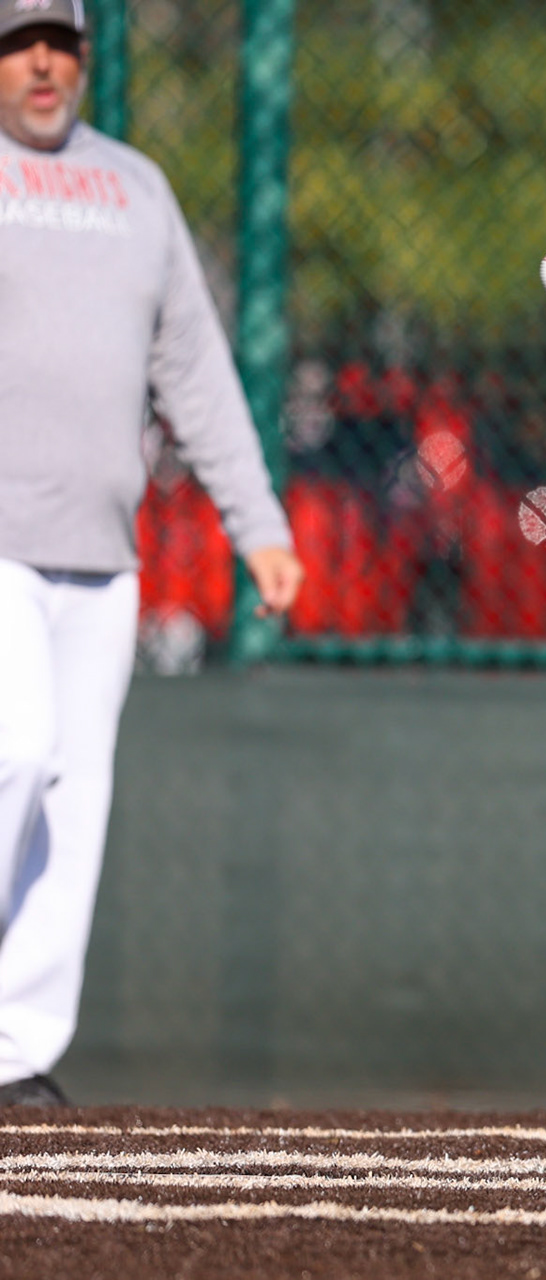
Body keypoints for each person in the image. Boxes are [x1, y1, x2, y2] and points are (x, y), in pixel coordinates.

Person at [0, 1, 303, 1106]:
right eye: (18, 41)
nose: (42, 62)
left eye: (61, 42)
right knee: (13, 753)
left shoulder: (135, 188)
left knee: (72, 800)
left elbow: (196, 370)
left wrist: (258, 525)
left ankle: (16, 1052)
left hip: (101, 556)